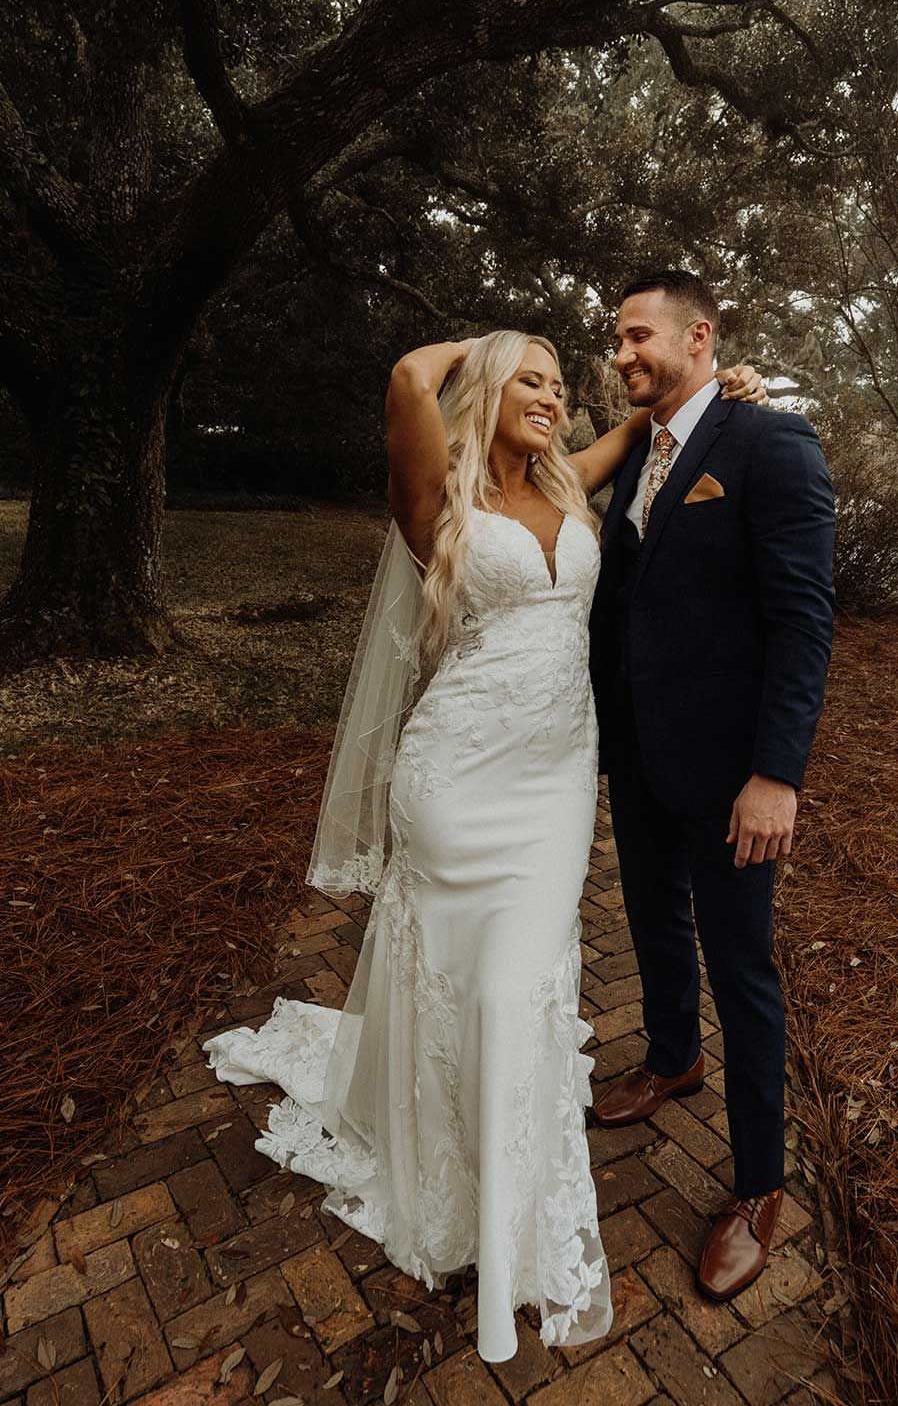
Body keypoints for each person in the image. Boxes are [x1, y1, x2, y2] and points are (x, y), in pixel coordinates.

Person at [202, 327, 767, 1362]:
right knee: (457, 975)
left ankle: (512, 1195)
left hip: (553, 779)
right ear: (489, 388)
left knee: (517, 982)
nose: (552, 397)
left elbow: (644, 421)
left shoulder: (568, 482)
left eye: (560, 385)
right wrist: (487, 343)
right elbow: (409, 378)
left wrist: (704, 385)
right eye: (531, 381)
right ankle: (447, 1161)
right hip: (454, 774)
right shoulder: (436, 498)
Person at [588, 270, 836, 1303]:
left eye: (637, 335)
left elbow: (801, 619)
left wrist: (776, 773)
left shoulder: (769, 443)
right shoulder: (637, 452)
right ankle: (671, 1056)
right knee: (650, 915)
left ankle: (755, 1186)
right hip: (638, 754)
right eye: (614, 339)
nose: (621, 354)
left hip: (735, 769)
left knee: (743, 969)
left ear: (698, 337)